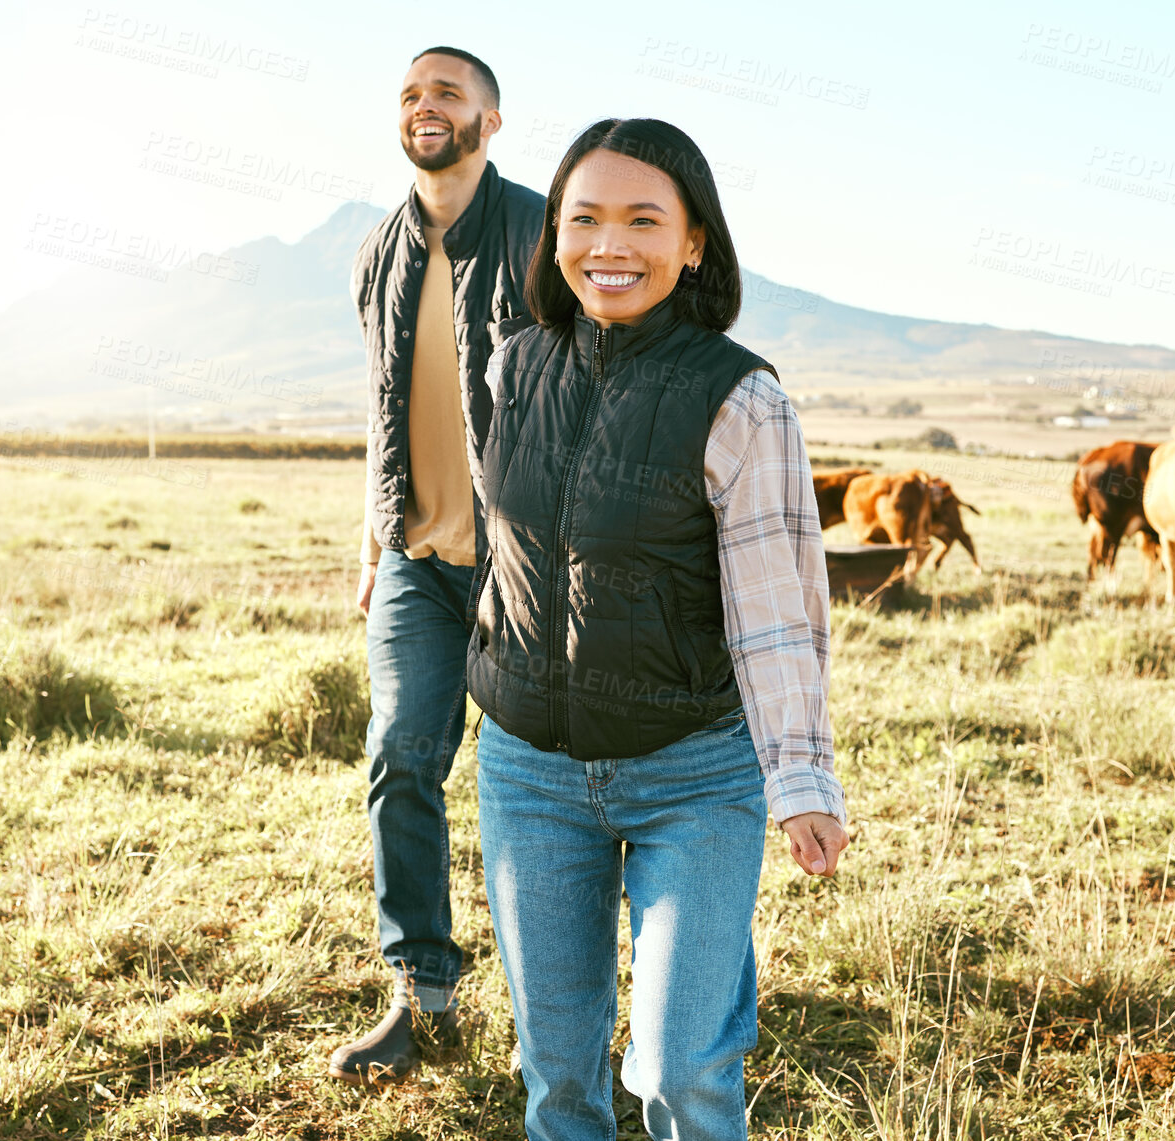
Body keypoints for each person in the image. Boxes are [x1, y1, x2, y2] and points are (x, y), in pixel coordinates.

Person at [466, 119, 849, 1141]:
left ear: (694, 245)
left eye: (645, 220)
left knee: (683, 1072)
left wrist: (801, 778)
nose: (610, 245)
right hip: (529, 773)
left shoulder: (742, 398)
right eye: (583, 218)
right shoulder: (513, 370)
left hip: (694, 775)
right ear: (553, 237)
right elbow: (506, 548)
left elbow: (777, 609)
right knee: (556, 1076)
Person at [331, 46, 544, 1086]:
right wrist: (370, 544)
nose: (426, 107)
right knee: (400, 757)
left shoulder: (545, 232)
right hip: (416, 560)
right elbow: (379, 411)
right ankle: (422, 992)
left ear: (490, 121)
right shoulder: (377, 252)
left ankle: (558, 1003)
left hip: (529, 567)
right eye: (411, 93)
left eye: (448, 94)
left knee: (537, 783)